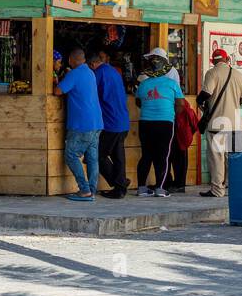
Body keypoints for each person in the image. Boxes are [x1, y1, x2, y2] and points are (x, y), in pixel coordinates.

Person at [55, 47, 103, 201]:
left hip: (81, 123)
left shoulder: (74, 74)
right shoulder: (90, 72)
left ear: (72, 60)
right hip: (96, 122)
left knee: (71, 154)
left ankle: (84, 189)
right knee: (92, 157)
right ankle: (92, 190)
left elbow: (58, 91)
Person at [134, 53, 185, 197]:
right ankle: (160, 188)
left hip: (145, 123)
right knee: (163, 156)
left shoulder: (143, 84)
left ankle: (141, 188)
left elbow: (138, 102)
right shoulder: (172, 84)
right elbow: (181, 104)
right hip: (165, 123)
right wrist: (171, 114)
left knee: (146, 155)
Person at [198, 48, 242, 198]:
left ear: (213, 61)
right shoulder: (239, 76)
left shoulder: (212, 73)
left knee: (216, 157)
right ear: (227, 60)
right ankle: (233, 186)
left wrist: (200, 103)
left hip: (217, 123)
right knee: (230, 156)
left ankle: (217, 190)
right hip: (234, 124)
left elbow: (206, 94)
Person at [90, 47, 130, 199]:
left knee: (97, 155)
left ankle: (119, 184)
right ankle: (120, 186)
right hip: (122, 121)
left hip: (110, 122)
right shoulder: (114, 71)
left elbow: (91, 94)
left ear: (93, 64)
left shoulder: (98, 74)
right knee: (118, 156)